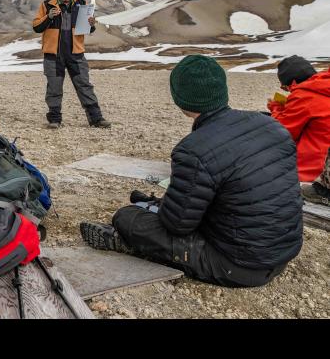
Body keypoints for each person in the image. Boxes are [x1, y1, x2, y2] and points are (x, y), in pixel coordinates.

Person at [80, 55, 303, 288]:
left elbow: (177, 225)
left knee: (127, 217)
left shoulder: (193, 150)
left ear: (180, 99)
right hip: (283, 253)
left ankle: (129, 244)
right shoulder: (272, 126)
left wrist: (159, 208)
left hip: (238, 265)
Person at [32, 0, 110, 129]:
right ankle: (54, 120)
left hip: (76, 54)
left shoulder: (82, 5)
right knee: (54, 87)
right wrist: (49, 17)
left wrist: (91, 25)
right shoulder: (47, 5)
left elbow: (87, 29)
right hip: (53, 55)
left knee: (84, 86)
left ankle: (96, 119)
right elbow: (36, 27)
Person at [267, 55, 330, 185]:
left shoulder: (303, 95)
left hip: (316, 170)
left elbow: (281, 133)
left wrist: (276, 108)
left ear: (294, 82)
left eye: (285, 87)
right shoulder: (323, 86)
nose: (289, 91)